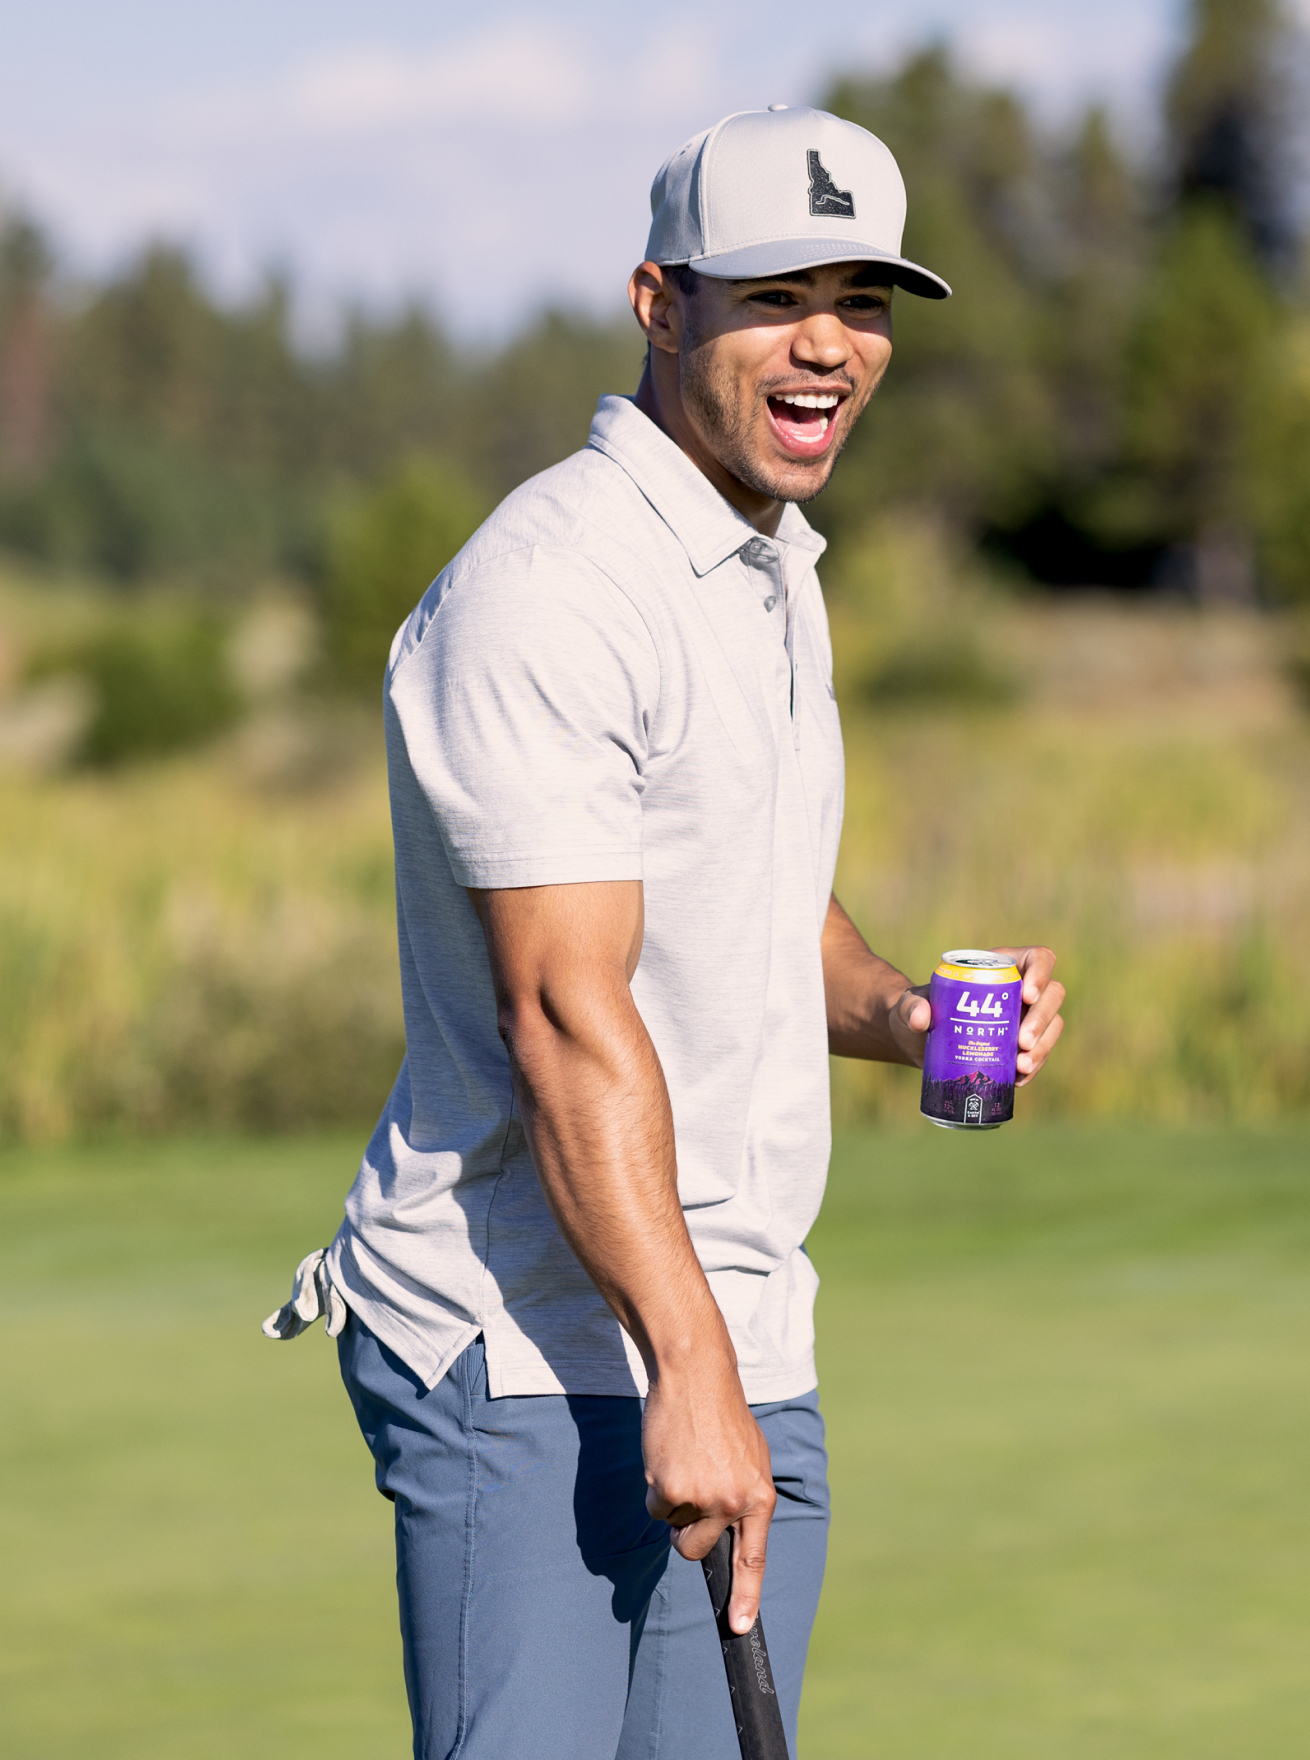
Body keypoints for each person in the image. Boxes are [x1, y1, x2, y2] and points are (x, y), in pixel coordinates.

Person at [260, 106, 1068, 1758]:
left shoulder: (769, 565)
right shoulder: (553, 588)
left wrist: (902, 1013)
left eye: (864, 299)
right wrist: (685, 1363)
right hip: (533, 1350)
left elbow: (755, 886)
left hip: (738, 1330)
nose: (828, 344)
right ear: (660, 303)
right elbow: (567, 1016)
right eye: (776, 295)